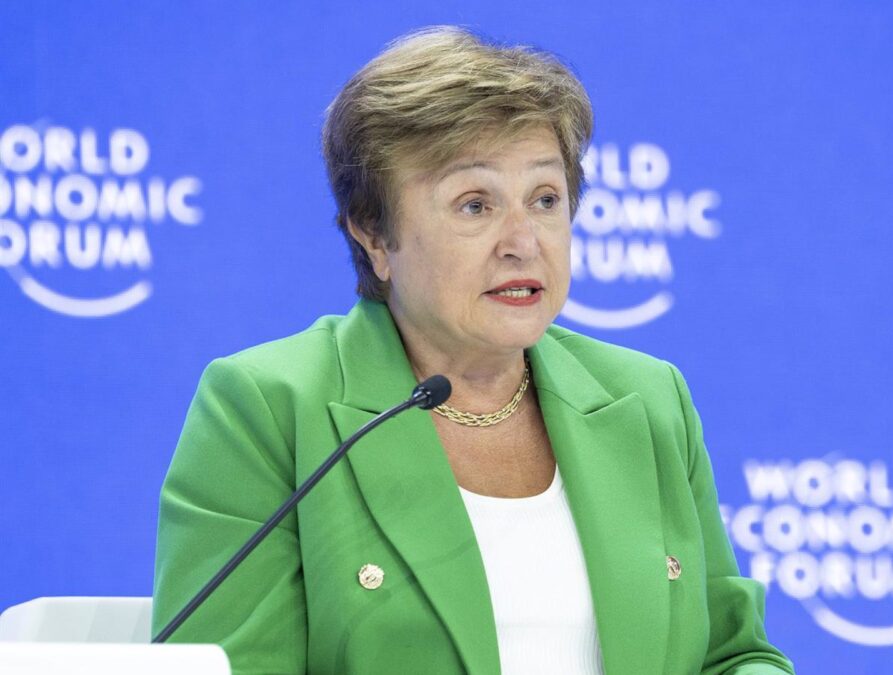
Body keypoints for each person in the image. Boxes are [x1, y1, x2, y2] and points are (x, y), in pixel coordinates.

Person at [152, 26, 794, 675]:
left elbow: (732, 654)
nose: (523, 241)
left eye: (545, 199)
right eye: (475, 205)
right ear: (373, 232)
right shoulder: (268, 408)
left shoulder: (647, 397)